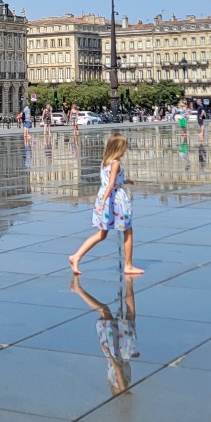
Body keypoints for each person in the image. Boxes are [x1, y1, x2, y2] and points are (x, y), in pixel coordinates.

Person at [69, 132, 144, 275]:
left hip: (106, 197)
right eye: (124, 147)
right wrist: (103, 202)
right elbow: (110, 185)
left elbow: (109, 181)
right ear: (118, 148)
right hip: (114, 200)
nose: (125, 150)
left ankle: (76, 256)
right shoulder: (115, 163)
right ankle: (128, 265)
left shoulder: (105, 162)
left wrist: (125, 181)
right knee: (128, 231)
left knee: (101, 234)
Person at [71, 274, 139, 395]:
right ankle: (129, 284)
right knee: (111, 313)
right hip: (120, 352)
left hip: (117, 351)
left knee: (123, 314)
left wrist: (110, 357)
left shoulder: (122, 388)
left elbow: (117, 370)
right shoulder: (116, 386)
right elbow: (119, 370)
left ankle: (78, 290)